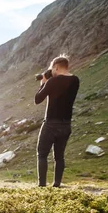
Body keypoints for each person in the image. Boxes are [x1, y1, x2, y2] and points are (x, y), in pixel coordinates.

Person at [34, 54, 80, 187]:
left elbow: (38, 99)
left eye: (52, 69)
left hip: (50, 124)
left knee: (42, 154)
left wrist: (42, 84)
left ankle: (42, 186)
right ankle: (57, 184)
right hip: (66, 125)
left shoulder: (52, 82)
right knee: (59, 157)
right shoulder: (75, 80)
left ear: (56, 67)